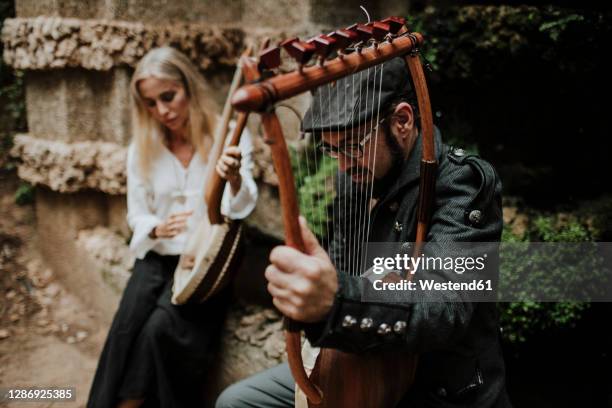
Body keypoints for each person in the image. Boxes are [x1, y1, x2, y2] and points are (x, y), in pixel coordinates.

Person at [216, 57, 511, 407]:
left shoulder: (463, 183)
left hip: (434, 385)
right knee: (237, 401)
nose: (341, 163)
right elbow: (342, 263)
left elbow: (443, 311)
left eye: (351, 145)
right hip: (362, 358)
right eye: (330, 148)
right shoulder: (354, 176)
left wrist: (337, 298)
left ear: (402, 120)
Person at [87, 47, 258, 408]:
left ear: (189, 88)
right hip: (158, 257)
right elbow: (136, 215)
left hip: (205, 264)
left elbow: (240, 209)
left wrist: (235, 179)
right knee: (125, 331)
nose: (162, 110)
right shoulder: (142, 148)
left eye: (168, 96)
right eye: (150, 103)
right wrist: (155, 228)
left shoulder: (228, 134)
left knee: (158, 332)